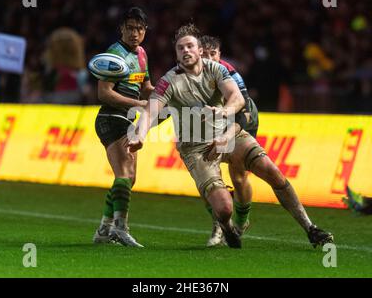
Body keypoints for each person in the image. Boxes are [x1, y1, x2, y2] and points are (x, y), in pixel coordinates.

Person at [128, 23, 333, 249]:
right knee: (224, 208)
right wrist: (140, 133)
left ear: (199, 50)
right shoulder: (170, 80)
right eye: (180, 48)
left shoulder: (219, 70)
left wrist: (224, 115)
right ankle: (226, 226)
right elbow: (151, 111)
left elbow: (238, 99)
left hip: (229, 133)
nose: (185, 51)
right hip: (196, 147)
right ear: (176, 54)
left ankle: (310, 228)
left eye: (189, 46)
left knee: (271, 171)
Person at [92, 7, 154, 247]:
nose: (134, 33)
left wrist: (165, 94)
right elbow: (104, 93)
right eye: (130, 28)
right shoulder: (113, 54)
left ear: (145, 30)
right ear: (121, 29)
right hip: (111, 117)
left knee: (130, 178)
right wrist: (138, 103)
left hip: (127, 120)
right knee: (124, 174)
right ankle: (120, 229)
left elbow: (146, 86)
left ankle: (103, 230)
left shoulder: (142, 55)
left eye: (139, 28)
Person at [200, 35, 259, 246]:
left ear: (219, 55)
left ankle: (241, 223)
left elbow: (242, 107)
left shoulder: (231, 74)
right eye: (204, 54)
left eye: (212, 54)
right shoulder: (190, 72)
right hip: (212, 121)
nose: (208, 58)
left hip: (240, 120)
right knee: (206, 177)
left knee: (239, 176)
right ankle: (219, 224)